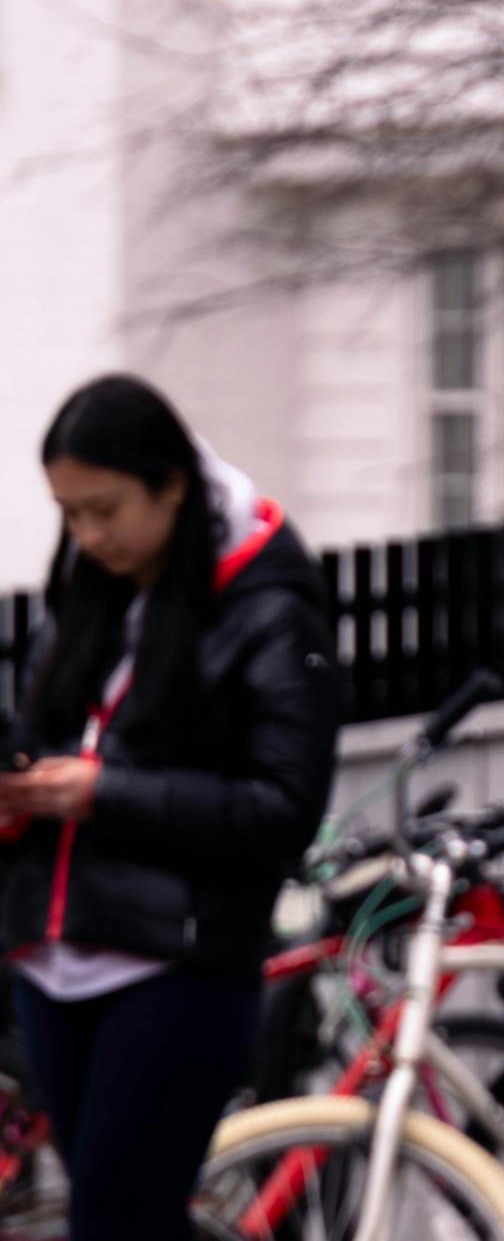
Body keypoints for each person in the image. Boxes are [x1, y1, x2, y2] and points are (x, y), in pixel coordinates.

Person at [0, 374, 340, 1240]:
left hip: (178, 964)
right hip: (51, 959)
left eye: (105, 509)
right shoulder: (89, 585)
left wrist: (101, 791)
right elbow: (48, 731)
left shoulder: (268, 604)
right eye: (69, 514)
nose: (88, 535)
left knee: (115, 1221)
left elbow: (283, 807)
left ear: (174, 485)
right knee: (128, 1219)